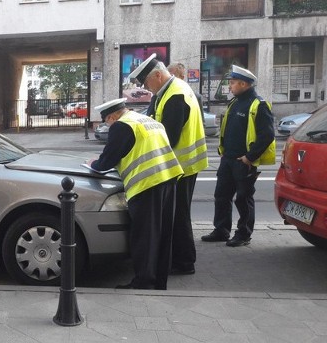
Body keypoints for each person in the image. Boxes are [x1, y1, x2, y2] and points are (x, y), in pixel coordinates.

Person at [87, 98, 183, 290]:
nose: (107, 126)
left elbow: (106, 161)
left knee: (144, 236)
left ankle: (144, 282)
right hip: (168, 179)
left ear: (113, 116)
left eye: (106, 121)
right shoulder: (148, 121)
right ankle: (159, 281)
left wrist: (93, 164)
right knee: (163, 234)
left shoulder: (122, 126)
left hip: (146, 184)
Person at [130, 54, 208, 276]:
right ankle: (179, 257)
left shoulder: (176, 95)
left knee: (179, 216)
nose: (146, 88)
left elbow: (168, 138)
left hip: (182, 166)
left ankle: (184, 262)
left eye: (146, 83)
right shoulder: (170, 90)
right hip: (180, 165)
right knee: (177, 215)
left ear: (157, 75)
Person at [201, 65, 275, 247]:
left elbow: (267, 135)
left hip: (244, 162)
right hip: (228, 159)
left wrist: (249, 157)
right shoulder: (234, 102)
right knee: (221, 196)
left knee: (243, 199)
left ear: (244, 84)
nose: (230, 87)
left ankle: (243, 234)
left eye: (233, 83)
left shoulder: (259, 104)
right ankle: (221, 230)